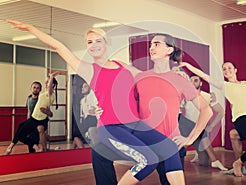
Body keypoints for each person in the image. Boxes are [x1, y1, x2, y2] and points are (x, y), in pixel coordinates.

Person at [7, 20, 188, 185]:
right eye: (89, 42)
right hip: (112, 127)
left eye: (98, 40)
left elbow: (148, 79)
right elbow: (58, 47)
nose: (93, 45)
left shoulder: (122, 65)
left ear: (106, 43)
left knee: (170, 147)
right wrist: (31, 28)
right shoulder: (89, 69)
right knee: (148, 160)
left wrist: (175, 75)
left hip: (135, 124)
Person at [133, 33, 213, 185]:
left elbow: (206, 110)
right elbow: (127, 107)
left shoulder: (180, 80)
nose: (151, 47)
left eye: (157, 44)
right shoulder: (140, 78)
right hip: (146, 144)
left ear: (169, 50)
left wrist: (190, 138)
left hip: (171, 144)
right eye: (151, 44)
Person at [179, 74, 227, 171]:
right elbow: (178, 111)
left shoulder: (208, 96)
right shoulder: (185, 96)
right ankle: (215, 160)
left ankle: (200, 154)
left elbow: (221, 111)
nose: (193, 83)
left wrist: (212, 126)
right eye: (191, 81)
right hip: (187, 128)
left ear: (200, 83)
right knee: (201, 134)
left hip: (200, 128)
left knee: (205, 162)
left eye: (195, 80)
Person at [4, 72, 58, 155]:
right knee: (20, 132)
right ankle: (35, 147)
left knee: (32, 133)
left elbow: (49, 111)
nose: (46, 83)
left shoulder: (50, 94)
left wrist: (51, 77)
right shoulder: (38, 96)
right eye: (46, 82)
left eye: (48, 82)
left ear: (52, 85)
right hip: (33, 118)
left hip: (39, 119)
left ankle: (40, 150)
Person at [26, 81, 53, 152]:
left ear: (40, 90)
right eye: (34, 87)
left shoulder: (42, 99)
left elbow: (50, 114)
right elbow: (28, 111)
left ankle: (44, 150)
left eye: (38, 88)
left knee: (40, 130)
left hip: (40, 122)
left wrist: (46, 111)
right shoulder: (28, 99)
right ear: (31, 88)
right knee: (31, 147)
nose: (35, 89)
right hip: (31, 122)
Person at [72, 82, 98, 149]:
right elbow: (82, 115)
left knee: (76, 135)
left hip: (93, 118)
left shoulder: (92, 96)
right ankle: (77, 149)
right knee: (76, 136)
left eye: (85, 86)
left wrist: (95, 110)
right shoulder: (82, 100)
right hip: (86, 120)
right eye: (82, 87)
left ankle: (79, 149)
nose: (83, 88)